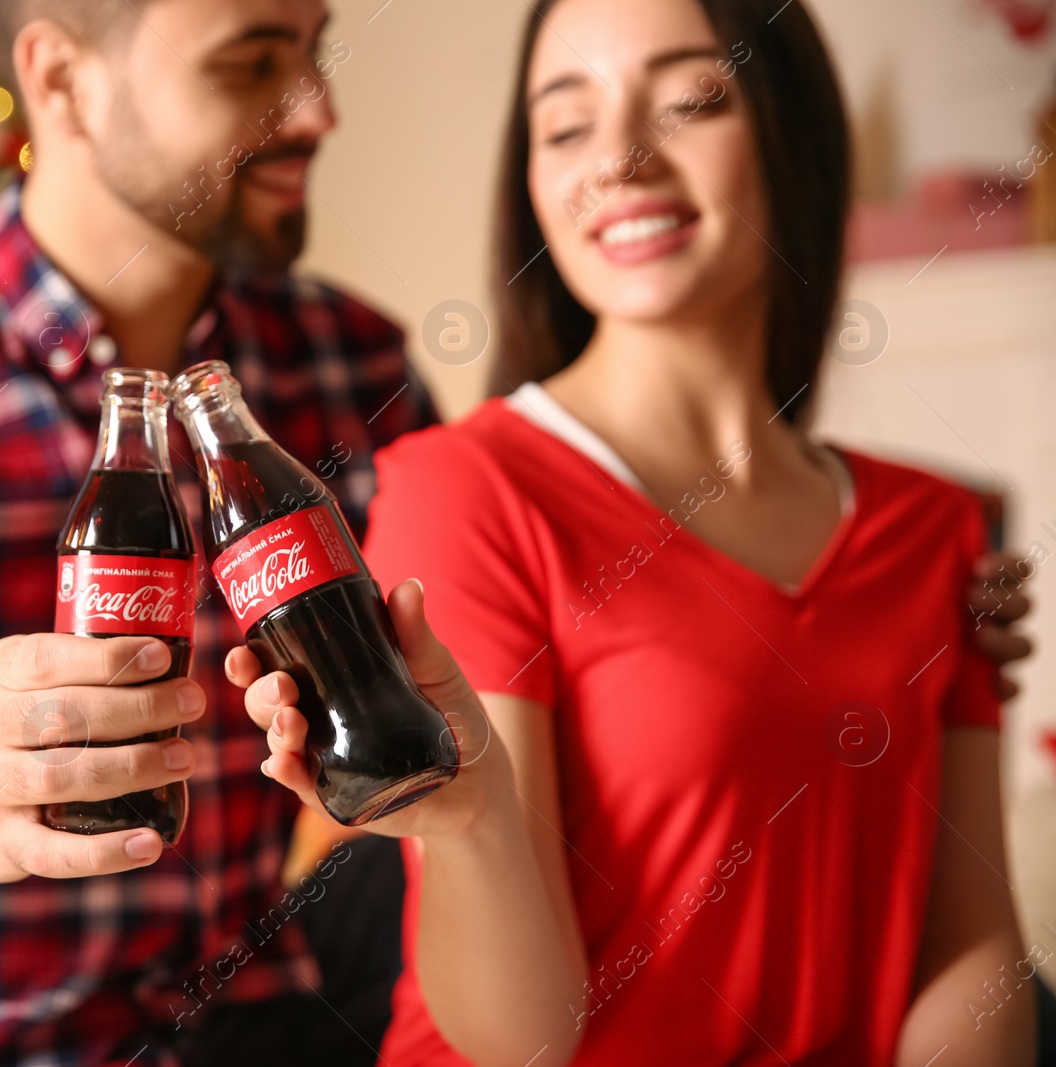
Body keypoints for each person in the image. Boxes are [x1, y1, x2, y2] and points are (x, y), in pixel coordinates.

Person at [0, 0, 1031, 1065]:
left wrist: (899, 603)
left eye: (316, 51)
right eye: (253, 63)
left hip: (270, 1028)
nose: (315, 108)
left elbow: (568, 603)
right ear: (61, 81)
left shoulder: (347, 365)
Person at [224, 0, 1040, 1064]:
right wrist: (471, 824)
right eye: (564, 127)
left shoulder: (933, 528)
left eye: (690, 101)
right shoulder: (463, 489)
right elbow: (520, 1040)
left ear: (788, 127)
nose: (617, 160)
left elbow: (971, 951)